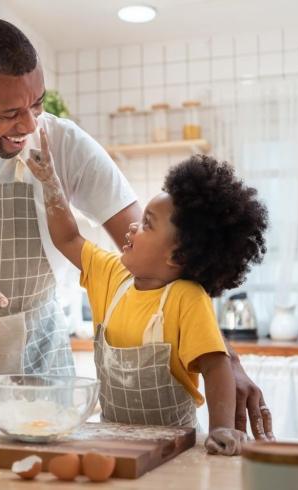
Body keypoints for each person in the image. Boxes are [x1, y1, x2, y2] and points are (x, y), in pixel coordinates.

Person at [0, 17, 274, 439]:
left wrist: (226, 360)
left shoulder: (65, 147)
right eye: (9, 113)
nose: (28, 126)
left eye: (36, 105)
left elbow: (169, 264)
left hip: (46, 389)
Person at [26, 134, 269, 454]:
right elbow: (68, 239)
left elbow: (215, 366)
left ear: (176, 257)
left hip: (174, 449)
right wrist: (51, 184)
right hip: (115, 442)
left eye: (147, 225)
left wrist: (221, 430)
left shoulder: (187, 298)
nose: (131, 228)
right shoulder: (111, 273)